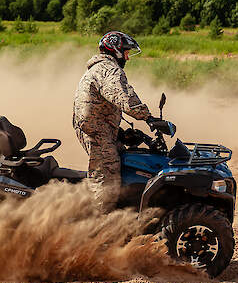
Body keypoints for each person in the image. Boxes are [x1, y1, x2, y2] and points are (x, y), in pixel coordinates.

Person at [72, 31, 170, 211]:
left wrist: (121, 134)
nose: (128, 58)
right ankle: (100, 222)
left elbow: (104, 104)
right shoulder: (109, 70)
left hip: (97, 128)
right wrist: (149, 118)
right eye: (126, 52)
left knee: (124, 160)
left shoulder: (99, 68)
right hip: (96, 131)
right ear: (116, 50)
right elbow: (123, 96)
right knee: (108, 175)